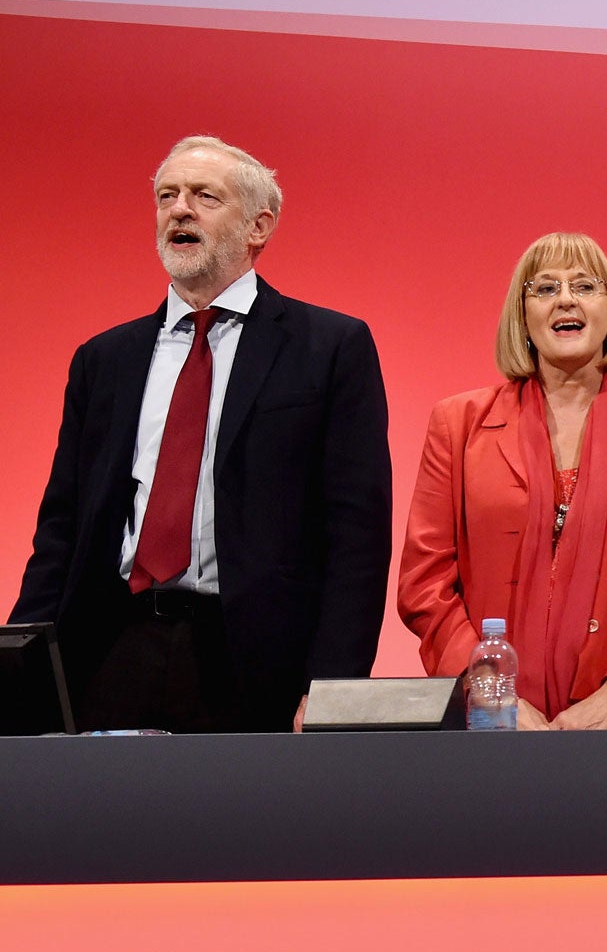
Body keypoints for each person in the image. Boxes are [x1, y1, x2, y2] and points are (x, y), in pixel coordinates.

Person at [14, 135, 392, 731]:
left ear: (258, 226)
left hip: (256, 662)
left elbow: (357, 539)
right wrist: (23, 668)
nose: (179, 209)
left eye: (204, 196)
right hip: (113, 647)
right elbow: (61, 528)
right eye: (167, 196)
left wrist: (334, 688)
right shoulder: (104, 359)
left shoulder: (330, 348)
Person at [397, 232, 607, 729]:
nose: (565, 299)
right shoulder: (456, 423)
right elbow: (425, 584)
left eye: (585, 286)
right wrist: (490, 687)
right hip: (492, 716)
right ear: (522, 316)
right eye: (545, 289)